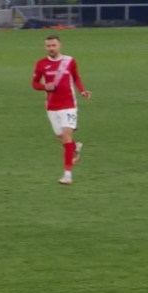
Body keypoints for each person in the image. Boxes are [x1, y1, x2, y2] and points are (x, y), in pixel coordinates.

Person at [31, 34, 91, 185]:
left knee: (66, 134)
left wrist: (82, 91)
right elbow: (34, 84)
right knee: (62, 138)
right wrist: (45, 87)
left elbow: (76, 77)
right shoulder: (41, 64)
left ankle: (67, 174)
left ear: (60, 46)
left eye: (53, 45)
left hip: (69, 105)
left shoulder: (69, 61)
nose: (51, 48)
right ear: (45, 47)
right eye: (48, 46)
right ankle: (75, 148)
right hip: (52, 107)